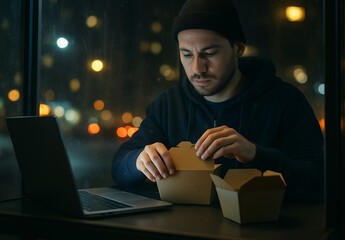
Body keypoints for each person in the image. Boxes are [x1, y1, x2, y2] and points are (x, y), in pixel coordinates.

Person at [112, 0, 324, 203]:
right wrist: (139, 161)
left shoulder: (285, 101)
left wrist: (255, 154)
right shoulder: (169, 104)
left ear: (238, 48)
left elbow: (317, 180)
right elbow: (119, 166)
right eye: (186, 54)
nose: (197, 68)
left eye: (210, 53)